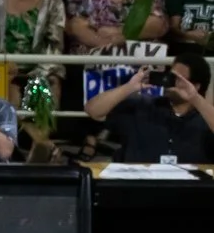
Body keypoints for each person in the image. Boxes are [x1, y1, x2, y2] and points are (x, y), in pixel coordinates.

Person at [83, 51, 214, 160]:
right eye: (170, 76)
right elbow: (93, 110)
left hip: (192, 187)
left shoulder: (206, 117)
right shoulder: (143, 106)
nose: (170, 82)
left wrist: (195, 98)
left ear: (196, 86)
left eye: (178, 79)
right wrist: (129, 87)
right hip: (140, 184)